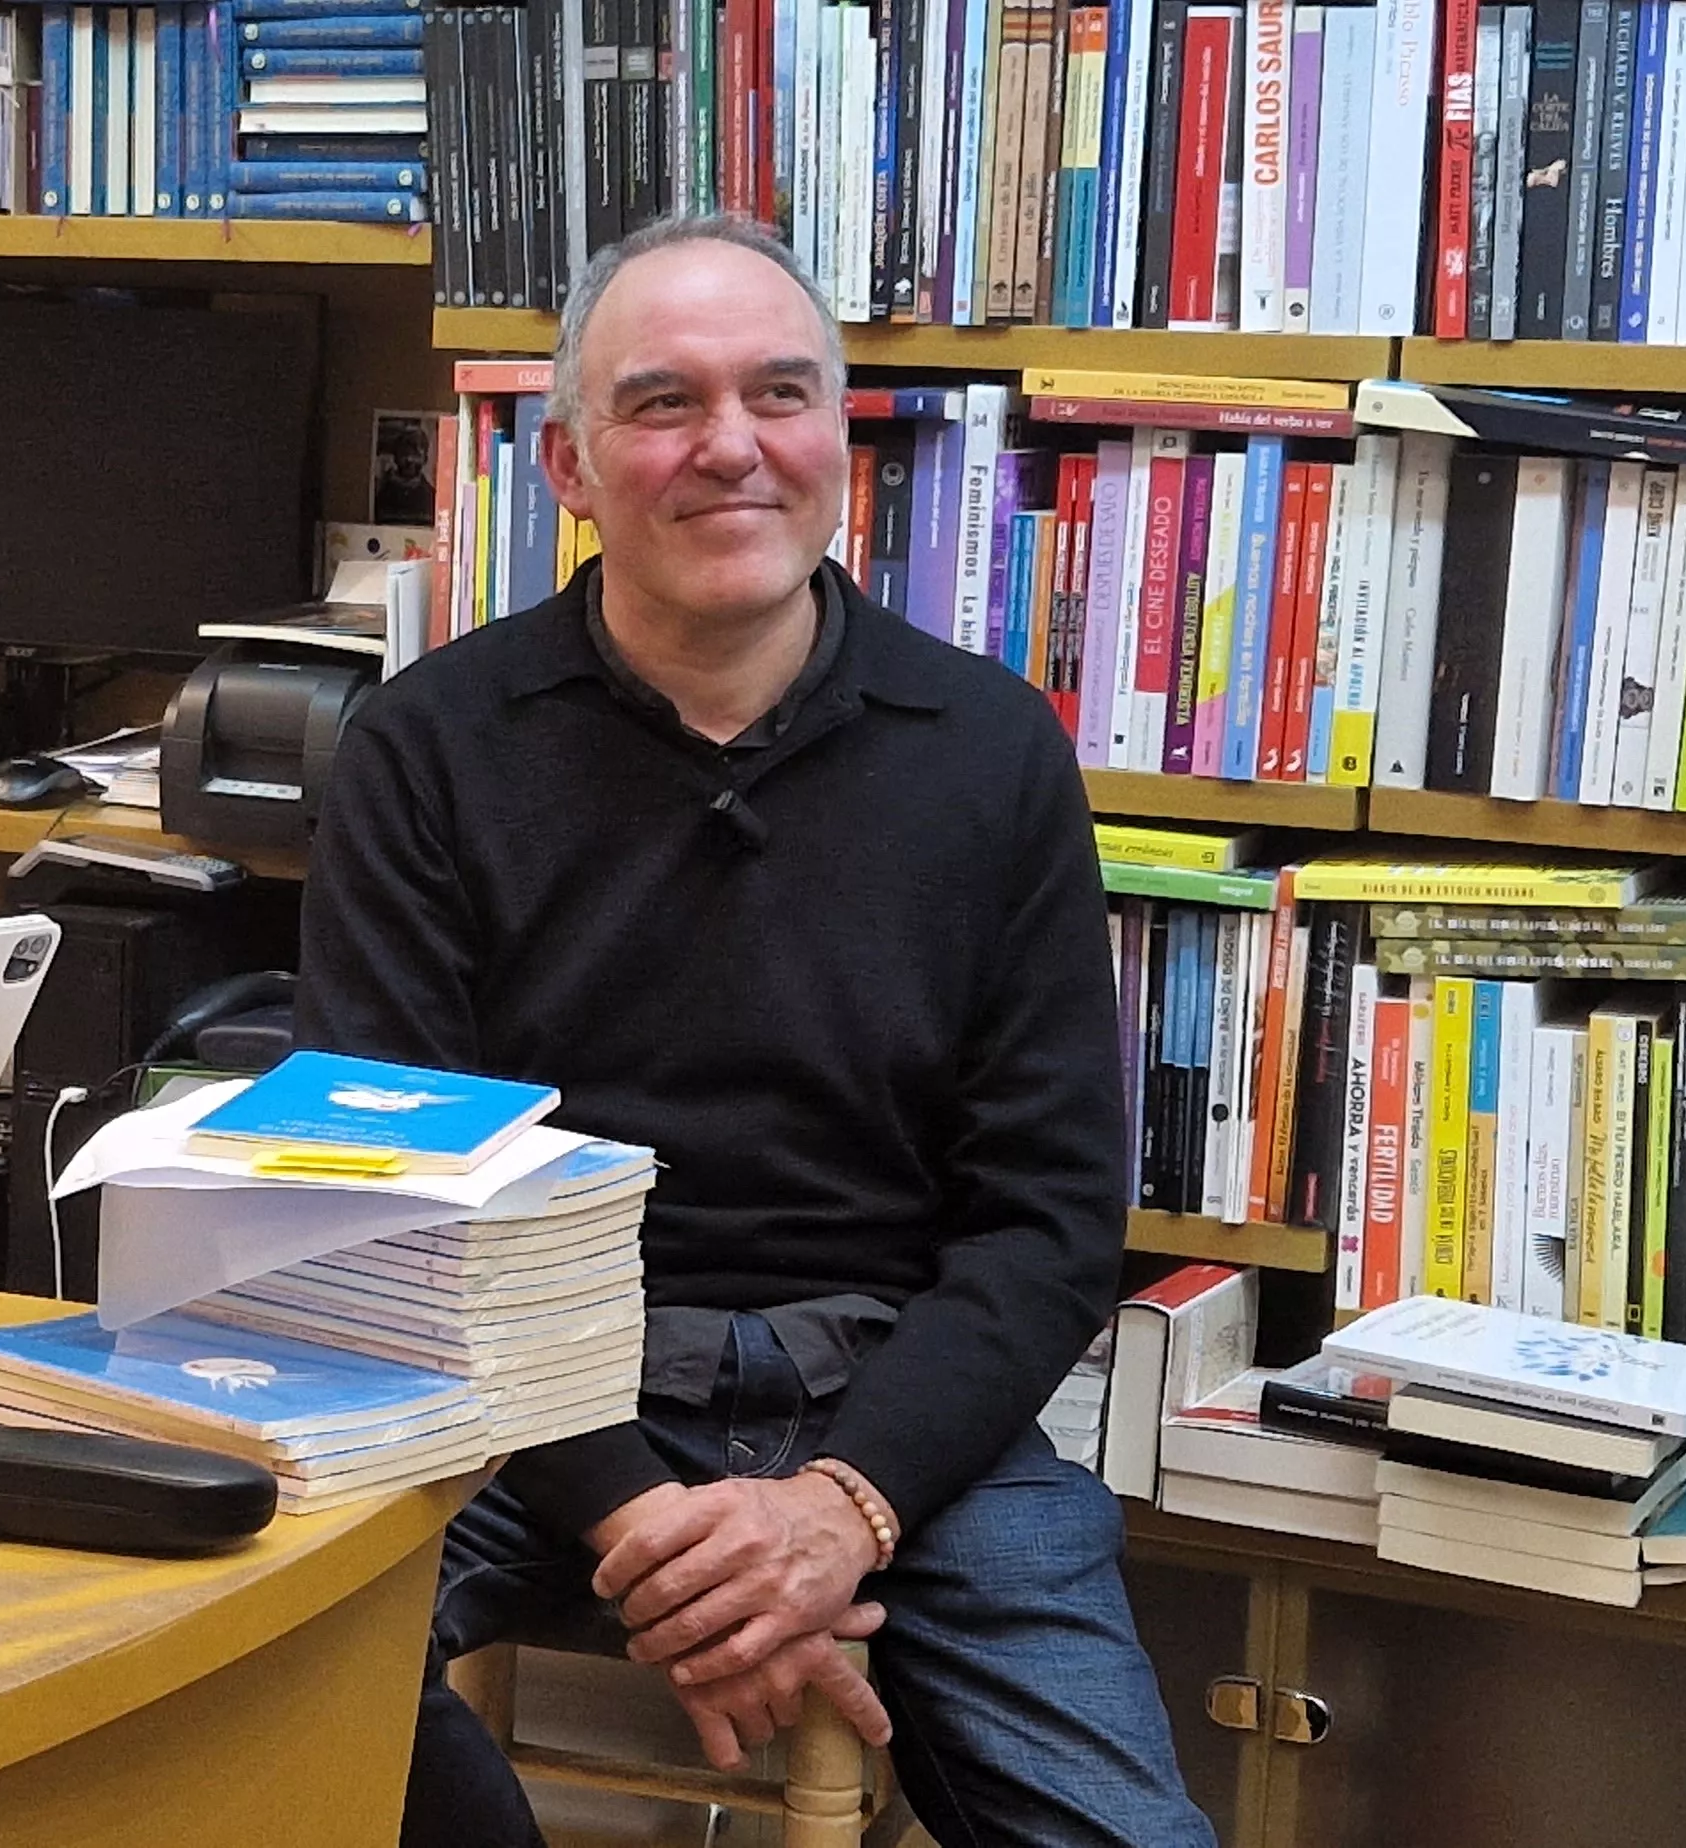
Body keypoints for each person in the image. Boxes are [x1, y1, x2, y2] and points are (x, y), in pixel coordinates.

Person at [298, 214, 1211, 1848]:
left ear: (838, 441)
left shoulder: (992, 754)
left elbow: (1049, 1220)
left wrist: (837, 1510)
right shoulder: (423, 752)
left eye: (779, 394)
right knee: (254, 1683)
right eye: (664, 403)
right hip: (519, 1404)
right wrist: (652, 1523)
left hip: (898, 1400)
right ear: (569, 464)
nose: (731, 445)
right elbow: (414, 1206)